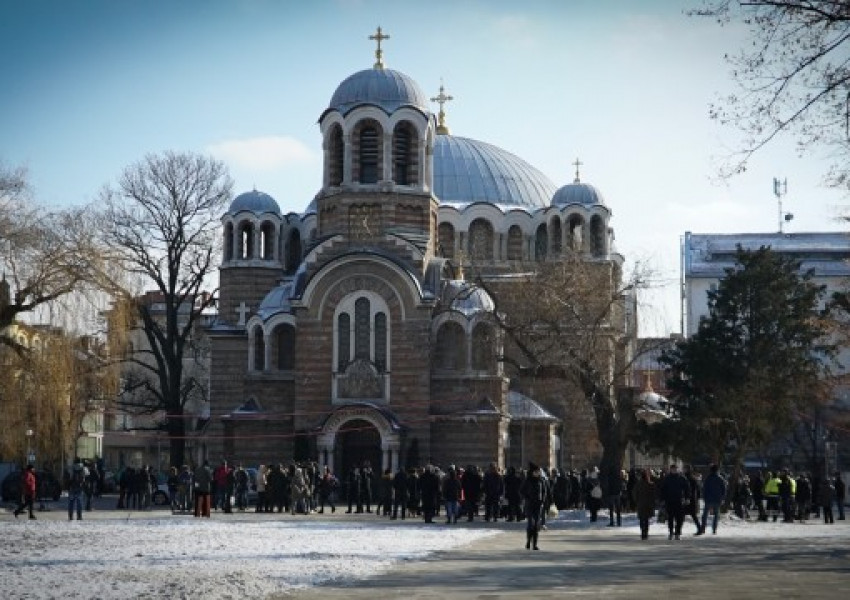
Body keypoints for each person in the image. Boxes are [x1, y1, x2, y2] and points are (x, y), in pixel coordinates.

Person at [659, 464, 690, 540]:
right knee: (670, 518)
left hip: (679, 501)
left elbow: (687, 488)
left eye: (675, 469)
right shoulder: (667, 478)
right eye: (673, 469)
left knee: (679, 518)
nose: (674, 470)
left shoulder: (681, 478)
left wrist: (687, 498)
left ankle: (678, 533)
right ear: (670, 470)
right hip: (669, 501)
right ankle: (671, 533)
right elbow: (662, 489)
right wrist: (662, 499)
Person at [520, 462, 545, 550]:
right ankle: (528, 541)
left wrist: (543, 500)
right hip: (530, 505)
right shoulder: (528, 481)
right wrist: (527, 497)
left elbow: (544, 491)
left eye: (538, 471)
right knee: (531, 523)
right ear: (532, 472)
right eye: (536, 471)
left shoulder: (541, 481)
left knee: (536, 525)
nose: (538, 473)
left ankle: (534, 544)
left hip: (538, 505)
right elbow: (522, 491)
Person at [701, 464, 727, 535]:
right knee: (716, 515)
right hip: (717, 499)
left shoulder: (708, 478)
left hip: (708, 499)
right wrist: (722, 498)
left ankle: (703, 528)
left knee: (705, 514)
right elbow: (724, 489)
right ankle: (714, 529)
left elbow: (704, 489)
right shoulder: (720, 478)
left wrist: (704, 497)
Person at [632, 468, 657, 540]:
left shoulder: (638, 484)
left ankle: (643, 531)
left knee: (641, 519)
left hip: (641, 504)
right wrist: (653, 502)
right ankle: (645, 532)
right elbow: (654, 495)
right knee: (646, 519)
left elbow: (634, 493)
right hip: (648, 504)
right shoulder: (651, 484)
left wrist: (636, 501)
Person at [684, 465, 704, 534]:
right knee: (693, 515)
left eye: (685, 469)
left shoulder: (686, 478)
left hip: (688, 499)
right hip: (692, 499)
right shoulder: (693, 479)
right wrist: (697, 498)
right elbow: (698, 490)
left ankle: (678, 530)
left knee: (682, 514)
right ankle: (700, 529)